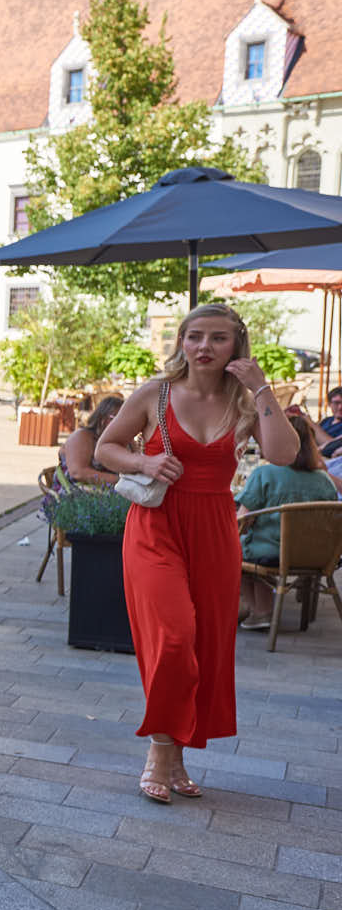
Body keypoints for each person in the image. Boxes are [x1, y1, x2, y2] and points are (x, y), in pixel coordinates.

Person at [96, 303, 296, 804]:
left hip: (214, 531)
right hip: (155, 528)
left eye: (218, 338)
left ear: (237, 345)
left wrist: (263, 387)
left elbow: (284, 455)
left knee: (204, 646)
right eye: (195, 337)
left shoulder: (247, 403)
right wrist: (144, 458)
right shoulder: (155, 394)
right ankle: (160, 753)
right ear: (181, 342)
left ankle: (176, 755)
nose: (204, 347)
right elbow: (105, 448)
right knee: (175, 634)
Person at [236, 412, 341, 630]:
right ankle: (260, 605)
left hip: (273, 552)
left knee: (232, 550)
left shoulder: (264, 473)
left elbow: (242, 520)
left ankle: (260, 610)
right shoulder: (324, 479)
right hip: (317, 554)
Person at [60, 397, 124, 486]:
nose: (123, 423)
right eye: (118, 418)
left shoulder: (119, 440)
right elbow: (78, 472)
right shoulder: (82, 436)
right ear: (102, 419)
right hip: (76, 494)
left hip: (106, 492)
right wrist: (122, 481)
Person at [318, 387, 342, 457]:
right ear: (329, 404)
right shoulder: (326, 420)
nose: (340, 407)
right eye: (336, 403)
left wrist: (310, 422)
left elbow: (332, 446)